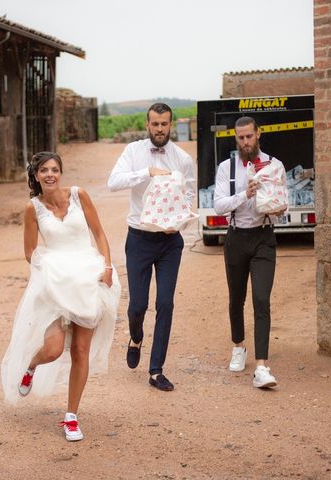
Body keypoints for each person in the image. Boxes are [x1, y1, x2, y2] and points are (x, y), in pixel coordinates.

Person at [1, 151, 120, 442]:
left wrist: (106, 266)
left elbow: (99, 234)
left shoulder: (79, 196)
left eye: (55, 169)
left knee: (80, 350)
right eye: (44, 170)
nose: (50, 174)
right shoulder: (33, 209)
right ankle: (31, 365)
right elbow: (30, 252)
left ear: (61, 173)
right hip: (57, 283)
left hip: (89, 278)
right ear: (36, 175)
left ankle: (71, 417)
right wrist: (48, 271)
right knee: (54, 349)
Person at [107, 103, 196, 392]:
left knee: (165, 304)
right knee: (137, 306)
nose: (160, 129)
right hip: (140, 238)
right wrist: (147, 172)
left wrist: (180, 222)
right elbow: (113, 183)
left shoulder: (182, 158)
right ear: (148, 125)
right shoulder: (133, 152)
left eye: (165, 124)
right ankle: (135, 337)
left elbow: (189, 193)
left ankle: (156, 370)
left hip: (170, 242)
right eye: (155, 124)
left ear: (172, 125)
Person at [213, 116, 287, 389]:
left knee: (261, 299)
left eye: (249, 136)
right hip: (236, 237)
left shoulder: (274, 165)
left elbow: (283, 202)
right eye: (240, 138)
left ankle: (262, 367)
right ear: (236, 139)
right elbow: (219, 205)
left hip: (264, 238)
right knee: (236, 298)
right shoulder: (226, 168)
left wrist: (279, 208)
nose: (245, 142)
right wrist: (245, 194)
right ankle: (238, 346)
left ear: (259, 134)